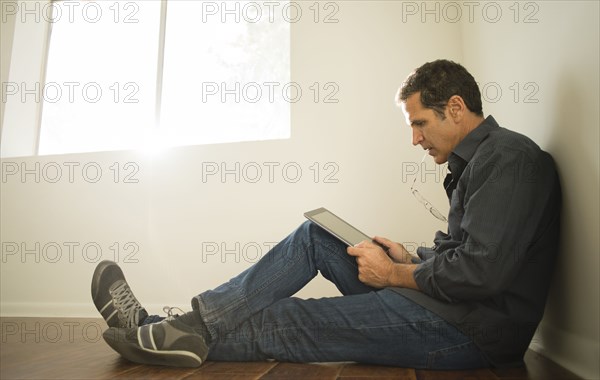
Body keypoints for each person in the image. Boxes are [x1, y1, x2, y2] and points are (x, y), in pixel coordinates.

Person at [92, 59, 561, 369]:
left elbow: (480, 274)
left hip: (471, 332)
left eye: (419, 123)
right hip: (449, 306)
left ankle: (161, 330)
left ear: (455, 108)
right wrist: (409, 256)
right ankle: (180, 327)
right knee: (316, 235)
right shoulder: (483, 161)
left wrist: (395, 274)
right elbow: (467, 255)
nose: (415, 139)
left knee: (288, 321)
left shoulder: (510, 159)